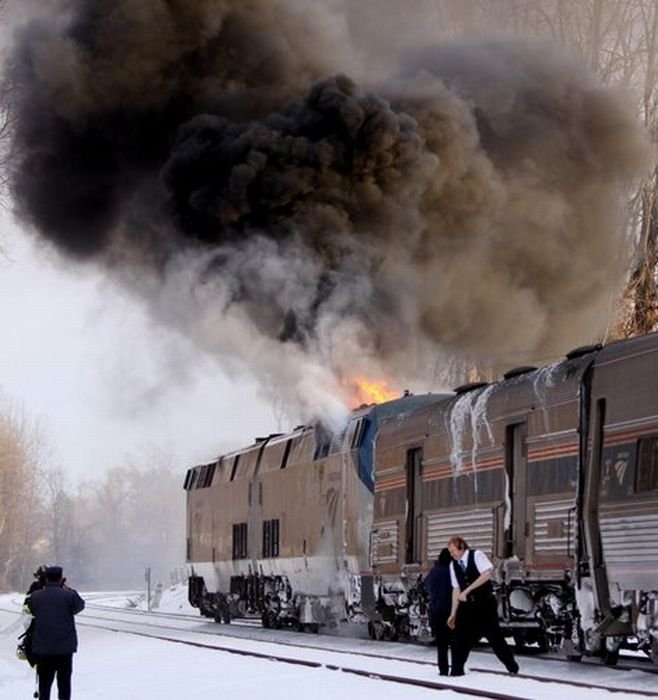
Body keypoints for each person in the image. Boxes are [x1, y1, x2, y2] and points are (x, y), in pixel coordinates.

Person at [446, 536, 518, 676]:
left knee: (495, 638)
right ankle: (456, 671)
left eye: (453, 550)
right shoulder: (453, 565)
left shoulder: (477, 555)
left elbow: (487, 574)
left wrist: (468, 590)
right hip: (467, 607)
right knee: (460, 638)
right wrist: (453, 613)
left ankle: (512, 667)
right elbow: (456, 589)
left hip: (485, 605)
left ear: (462, 547)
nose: (452, 554)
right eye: (450, 552)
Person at [26, 565, 85, 700]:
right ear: (61, 579)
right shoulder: (69, 596)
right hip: (64, 649)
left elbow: (32, 610)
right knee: (64, 684)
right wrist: (68, 588)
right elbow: (79, 606)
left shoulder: (36, 597)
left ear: (46, 579)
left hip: (43, 648)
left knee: (44, 685)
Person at [423, 548, 454, 675]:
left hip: (437, 611)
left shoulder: (433, 573)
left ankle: (443, 670)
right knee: (456, 643)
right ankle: (457, 668)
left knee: (442, 645)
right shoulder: (453, 572)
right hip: (452, 612)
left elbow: (427, 587)